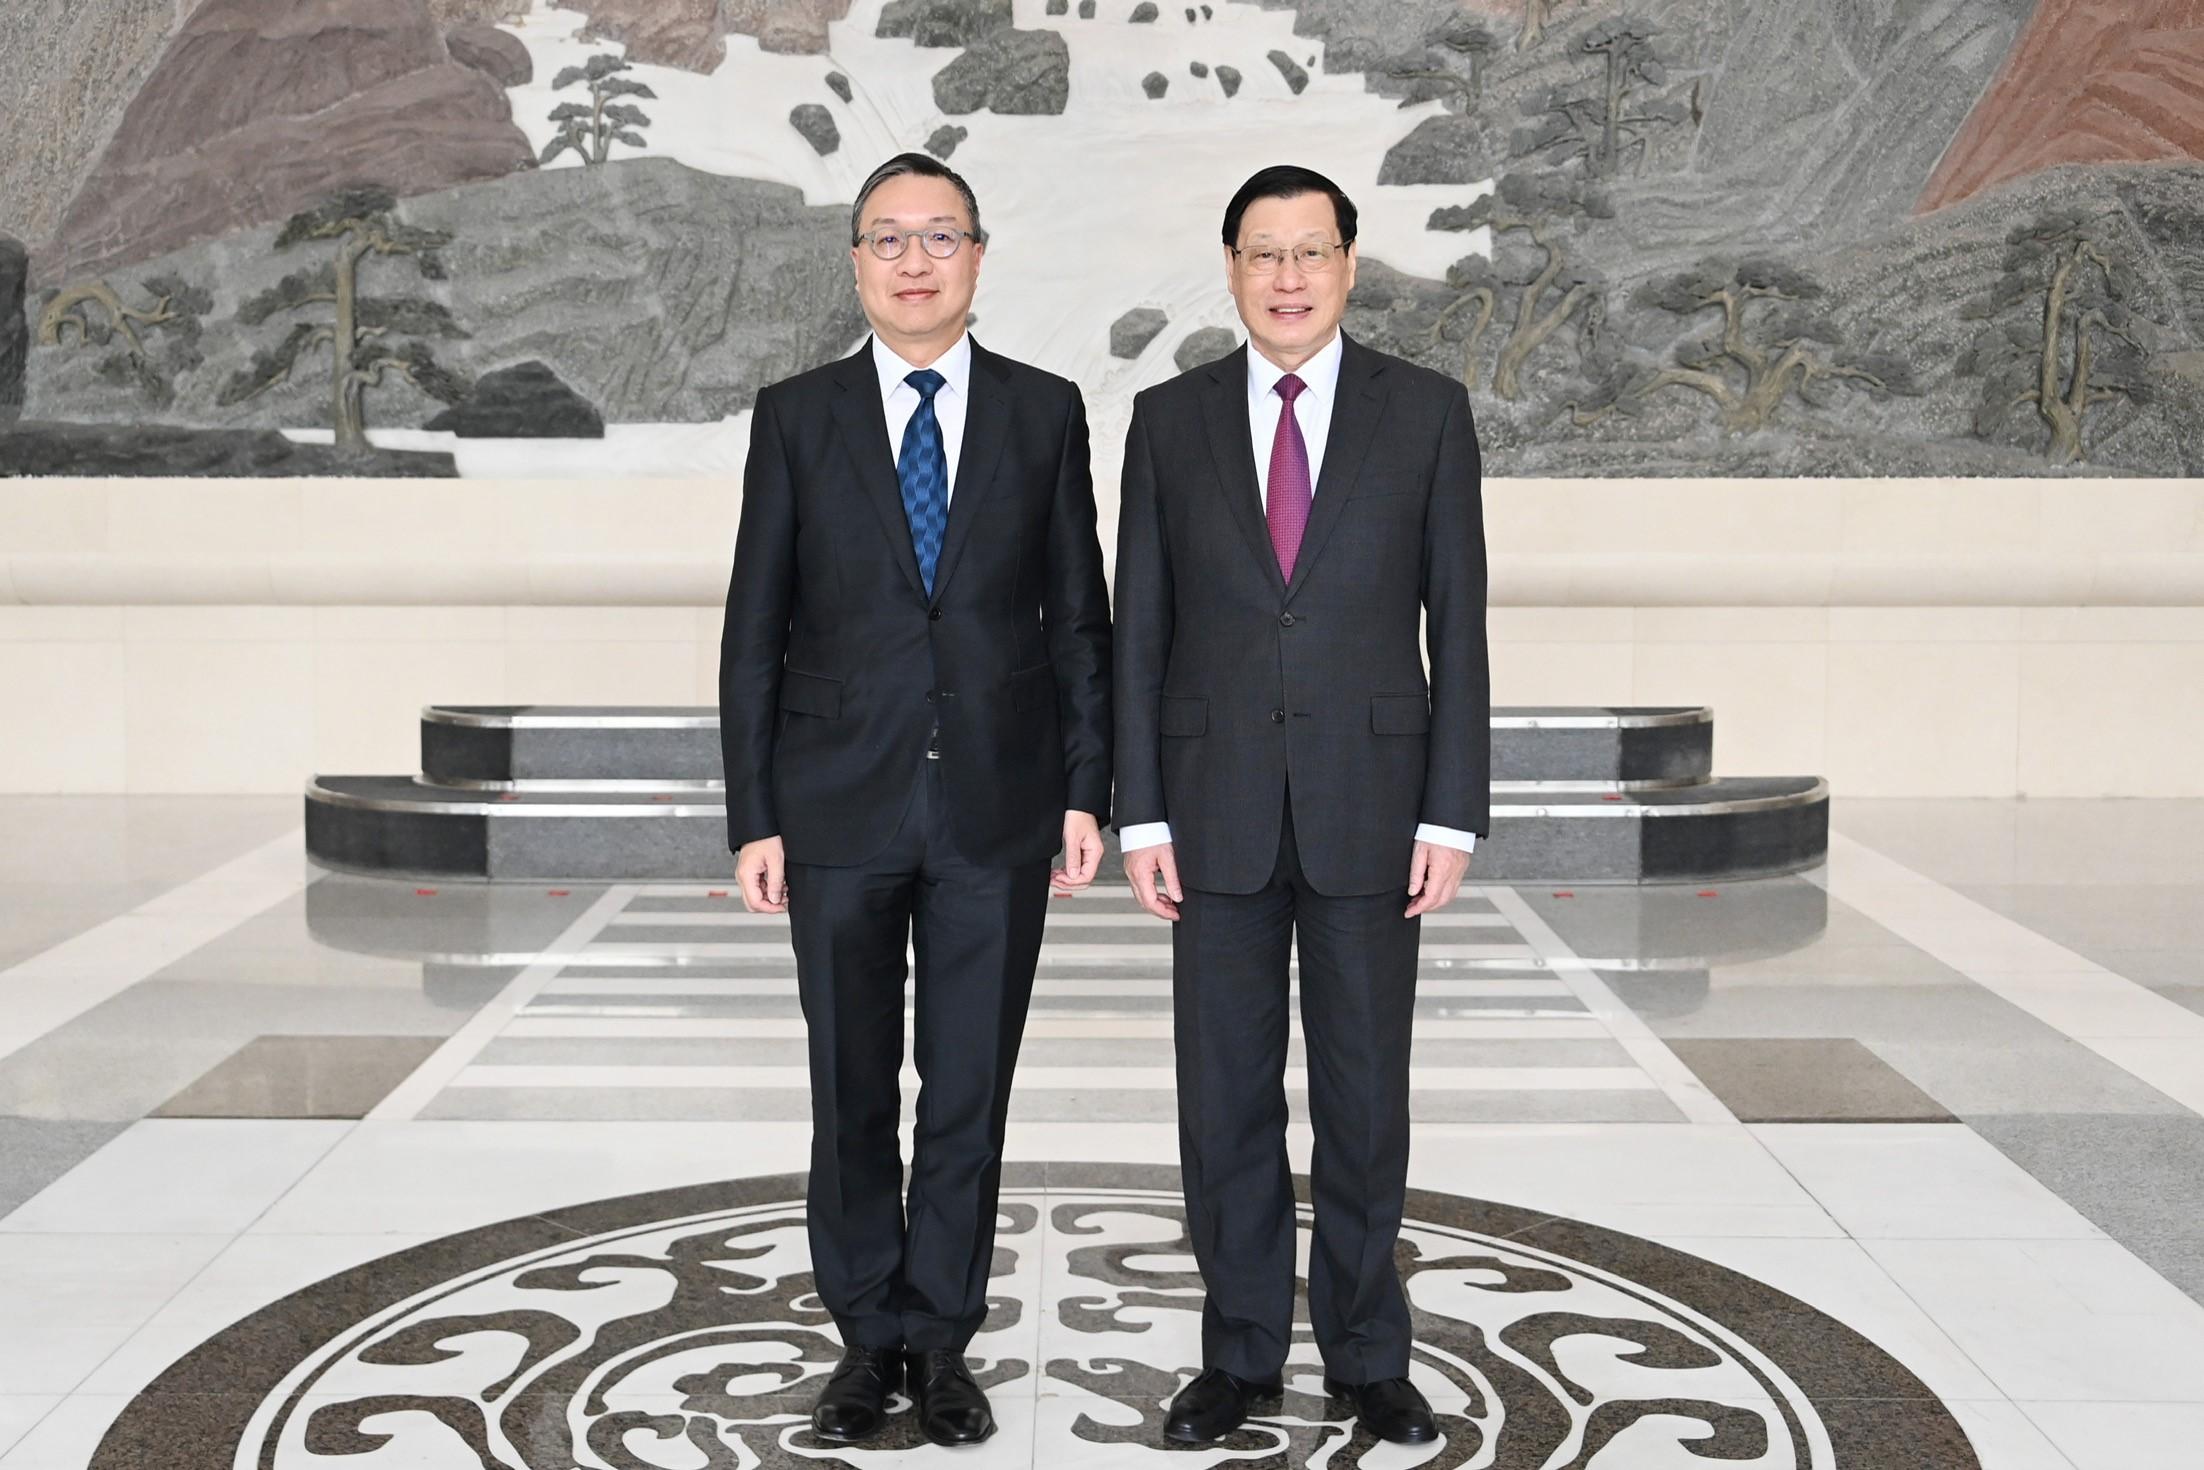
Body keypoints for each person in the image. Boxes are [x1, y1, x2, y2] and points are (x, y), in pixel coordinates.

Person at [718, 151, 1112, 1448]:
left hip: (996, 809)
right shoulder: (796, 415)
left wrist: (1082, 785)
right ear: (856, 261)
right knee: (850, 1087)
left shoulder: (1046, 412)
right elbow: (754, 628)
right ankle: (862, 1338)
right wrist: (755, 811)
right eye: (889, 238)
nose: (914, 259)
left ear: (979, 256)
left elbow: (1078, 617)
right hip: (834, 809)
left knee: (965, 1091)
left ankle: (939, 1338)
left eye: (939, 236)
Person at [1111, 164, 1490, 1446]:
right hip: (1208, 812)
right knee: (1221, 1098)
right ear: (1229, 269)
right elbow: (1137, 635)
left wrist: (1451, 815)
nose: (1286, 277)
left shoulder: (1427, 413)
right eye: (1263, 254)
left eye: (1310, 253)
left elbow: (1461, 626)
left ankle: (1370, 1356)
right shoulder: (1166, 423)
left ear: (1345, 265)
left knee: (1363, 1095)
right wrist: (1139, 814)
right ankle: (1238, 1355)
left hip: (1375, 811)